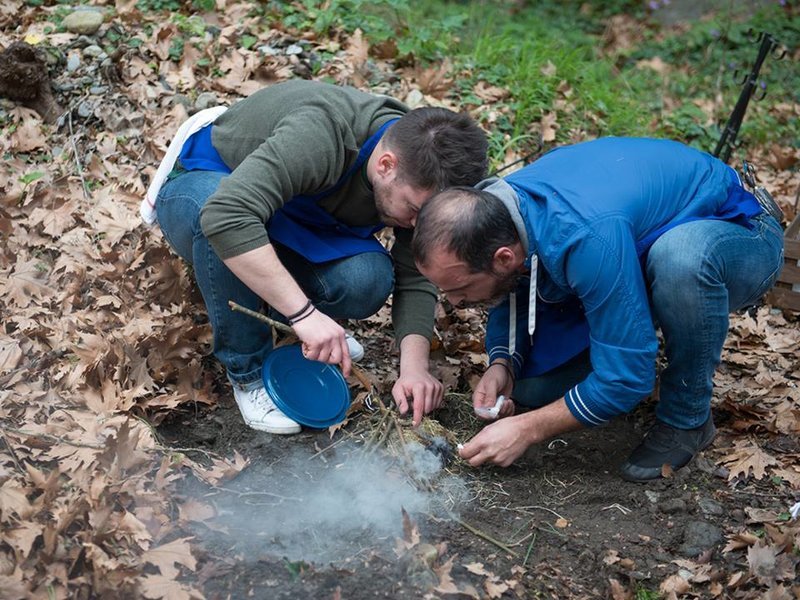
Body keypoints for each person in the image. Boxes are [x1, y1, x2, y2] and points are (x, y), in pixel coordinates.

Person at [412, 137, 784, 481]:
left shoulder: (585, 237)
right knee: (535, 389)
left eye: (459, 289)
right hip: (627, 242)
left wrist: (528, 429)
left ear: (505, 257)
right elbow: (513, 286)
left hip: (739, 230)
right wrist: (504, 362)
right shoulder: (501, 209)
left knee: (680, 260)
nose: (455, 302)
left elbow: (628, 377)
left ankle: (687, 419)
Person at [141, 80, 489, 434]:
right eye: (414, 210)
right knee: (214, 214)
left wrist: (414, 368)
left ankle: (280, 316)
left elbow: (413, 271)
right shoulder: (322, 134)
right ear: (386, 164)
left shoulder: (421, 170)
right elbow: (227, 215)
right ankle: (248, 372)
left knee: (367, 279)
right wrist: (303, 313)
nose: (417, 224)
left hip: (291, 215)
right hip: (208, 183)